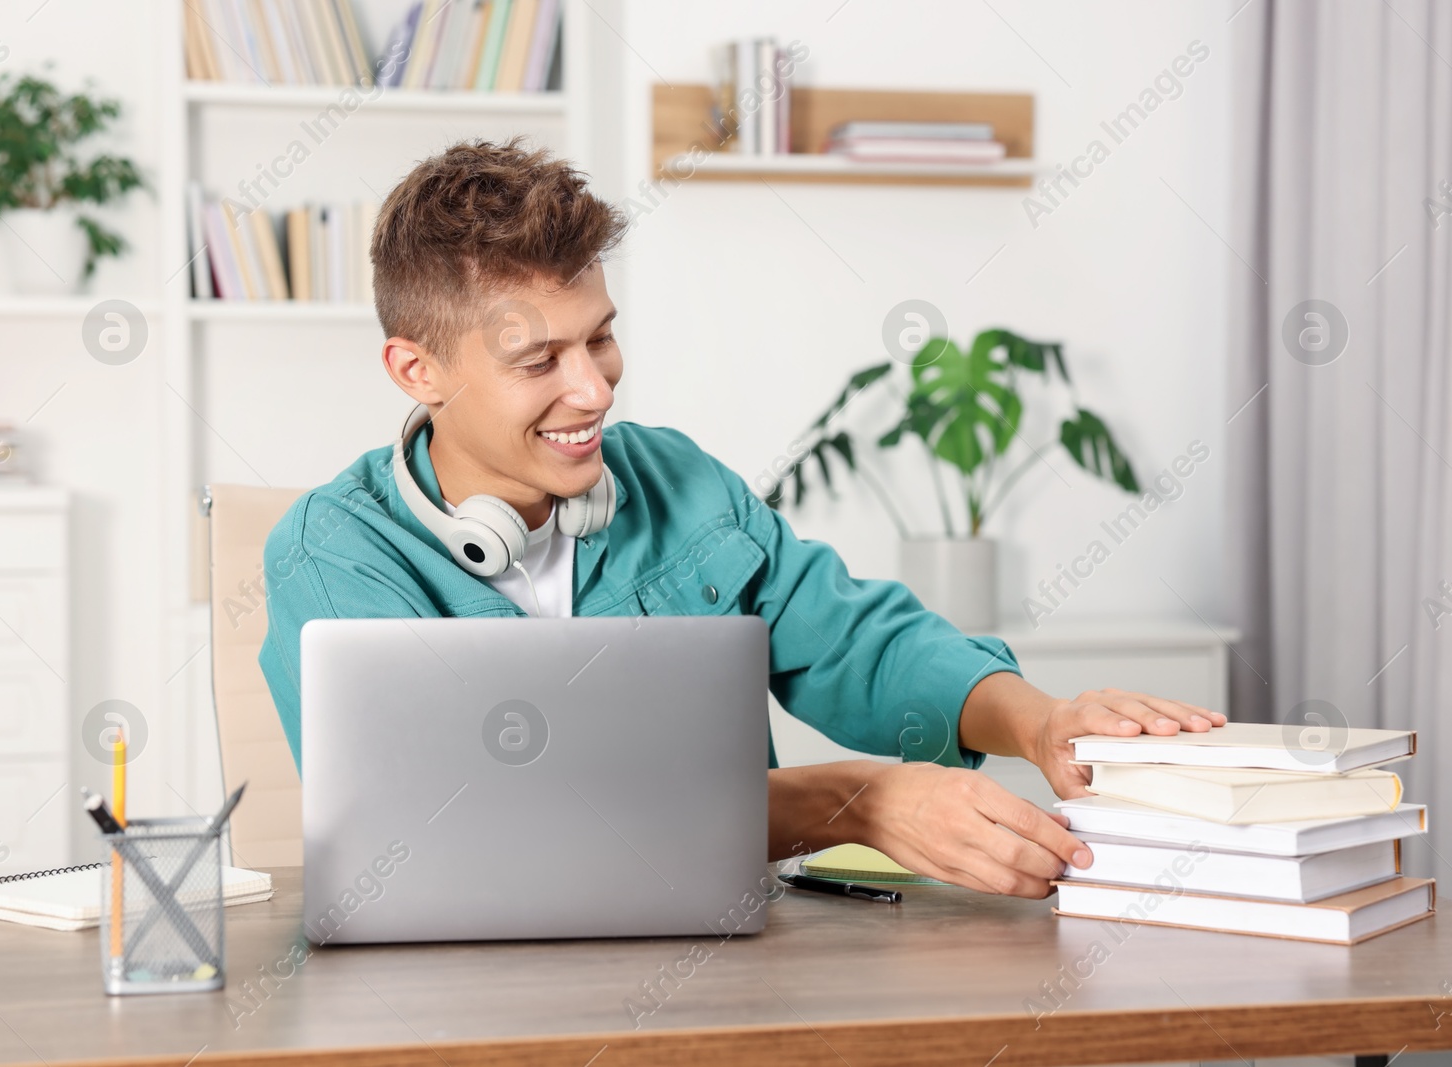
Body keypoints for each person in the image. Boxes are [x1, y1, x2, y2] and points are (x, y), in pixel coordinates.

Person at [258, 138, 1226, 900]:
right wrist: (848, 798)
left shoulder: (675, 479)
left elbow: (855, 641)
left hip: (714, 956)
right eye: (539, 360)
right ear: (416, 370)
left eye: (601, 337)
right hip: (469, 987)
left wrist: (1039, 720)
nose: (592, 388)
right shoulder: (334, 552)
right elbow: (464, 814)